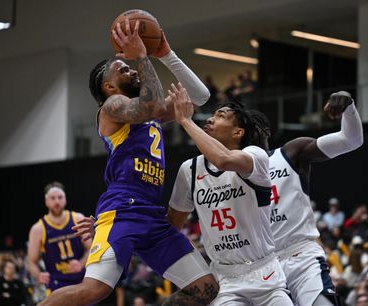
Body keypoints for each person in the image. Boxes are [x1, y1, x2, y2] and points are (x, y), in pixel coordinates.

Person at [39, 19, 218, 306]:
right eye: (123, 69)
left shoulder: (150, 111)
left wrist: (165, 54)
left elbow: (200, 96)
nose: (131, 68)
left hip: (152, 216)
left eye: (130, 65)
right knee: (94, 290)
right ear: (109, 86)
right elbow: (152, 105)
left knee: (206, 288)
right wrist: (143, 56)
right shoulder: (112, 107)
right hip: (123, 212)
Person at [167, 84, 293, 305]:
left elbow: (224, 160)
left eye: (221, 116)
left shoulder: (256, 157)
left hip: (266, 276)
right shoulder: (190, 169)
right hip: (225, 280)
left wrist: (186, 121)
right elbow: (171, 226)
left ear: (238, 132)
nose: (209, 120)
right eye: (212, 115)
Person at [267, 91, 363, 305]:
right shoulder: (219, 171)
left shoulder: (289, 153)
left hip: (299, 255)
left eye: (222, 115)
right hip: (259, 267)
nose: (210, 121)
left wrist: (348, 106)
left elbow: (351, 140)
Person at [27, 182, 92, 293]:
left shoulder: (78, 218)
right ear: (46, 201)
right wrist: (38, 275)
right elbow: (31, 262)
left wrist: (81, 264)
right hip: (56, 284)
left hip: (82, 280)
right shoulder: (38, 229)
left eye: (60, 197)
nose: (57, 201)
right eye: (52, 198)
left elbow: (91, 249)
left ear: (65, 199)